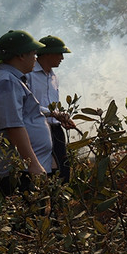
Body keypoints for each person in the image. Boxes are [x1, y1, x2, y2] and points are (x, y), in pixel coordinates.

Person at [0, 30, 51, 196]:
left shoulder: (12, 79)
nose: (35, 58)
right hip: (19, 170)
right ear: (21, 55)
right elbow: (13, 126)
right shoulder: (6, 81)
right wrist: (33, 165)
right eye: (33, 54)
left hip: (22, 168)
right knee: (28, 218)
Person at [26, 35, 76, 182]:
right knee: (39, 171)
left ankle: (58, 204)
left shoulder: (54, 77)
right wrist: (53, 114)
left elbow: (53, 105)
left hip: (55, 129)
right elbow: (27, 105)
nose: (62, 58)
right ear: (47, 53)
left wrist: (61, 118)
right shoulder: (28, 75)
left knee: (63, 171)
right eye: (59, 53)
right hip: (36, 129)